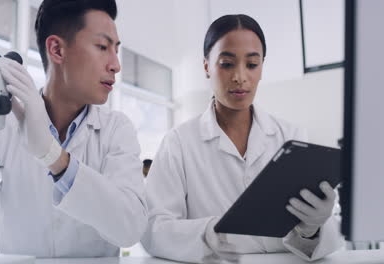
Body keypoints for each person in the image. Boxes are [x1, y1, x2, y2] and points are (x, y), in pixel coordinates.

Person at [0, 0, 147, 257]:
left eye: (115, 50)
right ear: (57, 49)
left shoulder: (116, 129)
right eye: (102, 47)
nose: (115, 65)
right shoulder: (3, 125)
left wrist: (55, 158)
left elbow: (130, 228)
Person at [141, 14, 344, 263]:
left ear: (261, 68)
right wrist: (205, 236)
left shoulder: (292, 136)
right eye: (227, 64)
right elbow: (153, 229)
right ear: (206, 66)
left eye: (251, 64)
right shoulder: (179, 143)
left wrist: (314, 227)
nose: (240, 77)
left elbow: (321, 241)